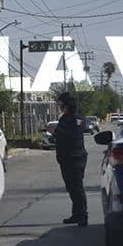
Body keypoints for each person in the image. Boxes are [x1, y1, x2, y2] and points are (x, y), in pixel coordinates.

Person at [53, 92, 88, 226]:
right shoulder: (63, 119)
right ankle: (76, 213)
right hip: (65, 159)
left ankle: (83, 215)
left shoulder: (77, 118)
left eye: (62, 105)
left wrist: (57, 131)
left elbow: (74, 132)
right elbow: (60, 134)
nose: (61, 108)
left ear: (68, 105)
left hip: (76, 158)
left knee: (77, 187)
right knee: (70, 187)